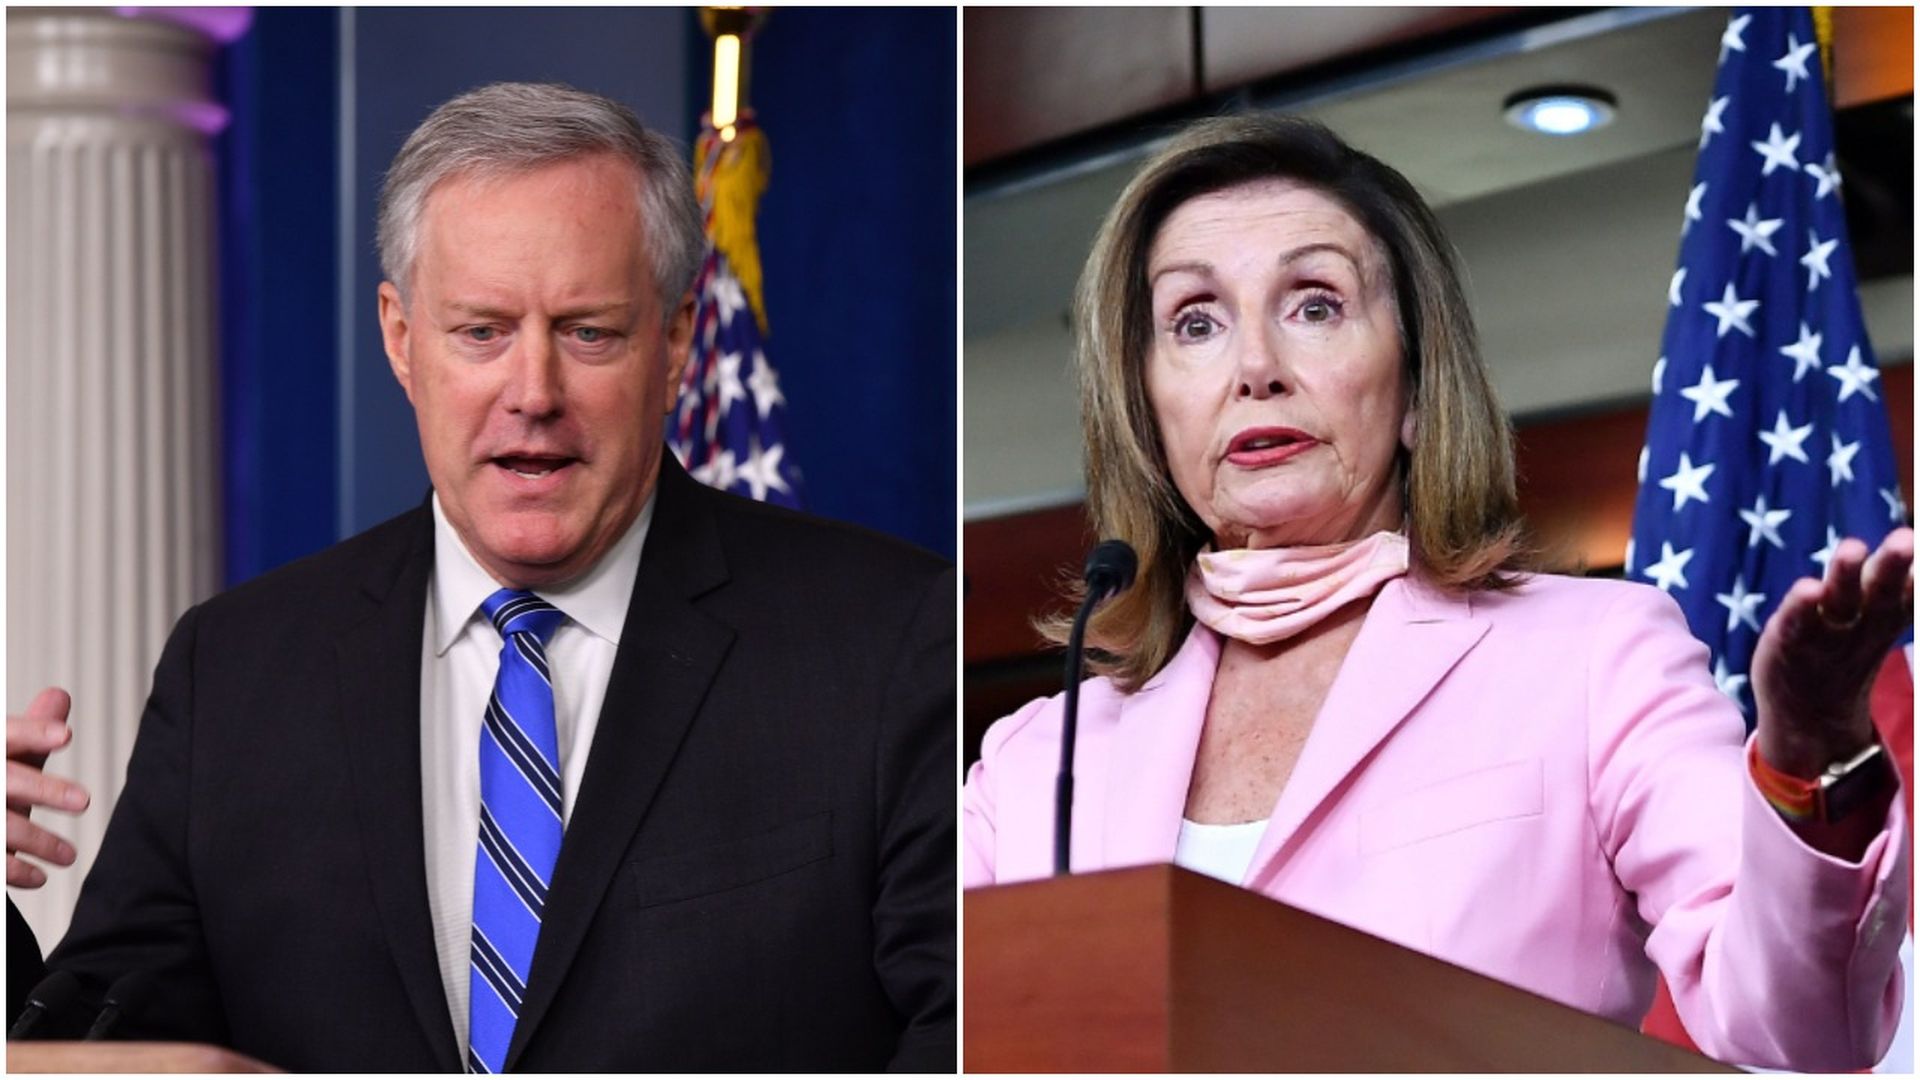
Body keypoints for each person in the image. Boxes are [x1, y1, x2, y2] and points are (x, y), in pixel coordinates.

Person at [6, 82, 955, 1072]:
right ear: (401, 338)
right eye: (481, 332)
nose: (533, 392)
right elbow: (96, 1040)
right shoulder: (234, 669)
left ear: (676, 339)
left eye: (588, 331)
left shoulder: (887, 642)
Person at [961, 113, 1910, 1071]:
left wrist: (1807, 764)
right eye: (1196, 323)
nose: (1255, 370)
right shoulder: (1035, 764)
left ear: (1416, 384)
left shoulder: (1592, 658)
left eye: (1315, 305)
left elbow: (1801, 1034)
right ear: (1145, 408)